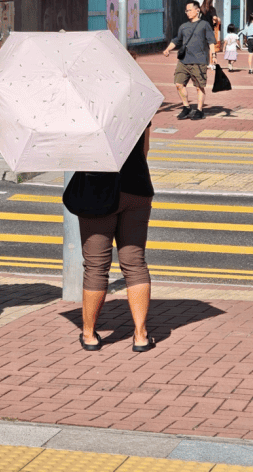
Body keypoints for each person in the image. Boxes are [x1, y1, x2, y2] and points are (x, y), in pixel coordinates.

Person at [78, 124, 155, 353]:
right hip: (137, 186)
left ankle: (89, 335)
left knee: (96, 266)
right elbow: (144, 150)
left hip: (97, 190)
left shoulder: (85, 114)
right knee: (135, 263)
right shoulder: (137, 107)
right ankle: (140, 335)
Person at [162, 0, 216, 121]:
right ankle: (186, 107)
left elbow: (211, 41)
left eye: (190, 10)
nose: (187, 13)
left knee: (199, 87)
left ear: (197, 10)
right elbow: (177, 40)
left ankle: (199, 110)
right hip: (183, 60)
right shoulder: (183, 26)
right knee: (178, 84)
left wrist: (214, 56)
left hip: (199, 61)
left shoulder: (204, 25)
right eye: (186, 11)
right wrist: (168, 49)